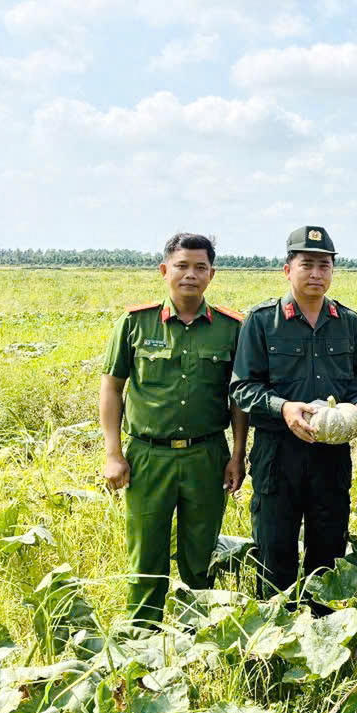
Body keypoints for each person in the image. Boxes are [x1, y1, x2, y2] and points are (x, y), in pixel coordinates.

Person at [99, 232, 248, 626]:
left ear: (212, 274)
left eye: (200, 267)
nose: (190, 275)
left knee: (201, 555)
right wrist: (113, 455)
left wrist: (237, 455)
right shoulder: (135, 323)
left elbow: (238, 398)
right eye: (182, 266)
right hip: (149, 456)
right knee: (146, 555)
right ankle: (142, 634)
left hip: (206, 455)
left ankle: (198, 633)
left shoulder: (231, 328)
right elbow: (112, 388)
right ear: (164, 270)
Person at [229, 226, 357, 602]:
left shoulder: (347, 321)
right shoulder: (262, 321)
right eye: (306, 264)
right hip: (278, 452)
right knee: (275, 549)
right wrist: (284, 408)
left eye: (324, 265)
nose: (316, 273)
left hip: (331, 453)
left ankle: (323, 623)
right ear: (287, 269)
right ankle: (276, 624)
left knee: (328, 548)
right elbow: (242, 387)